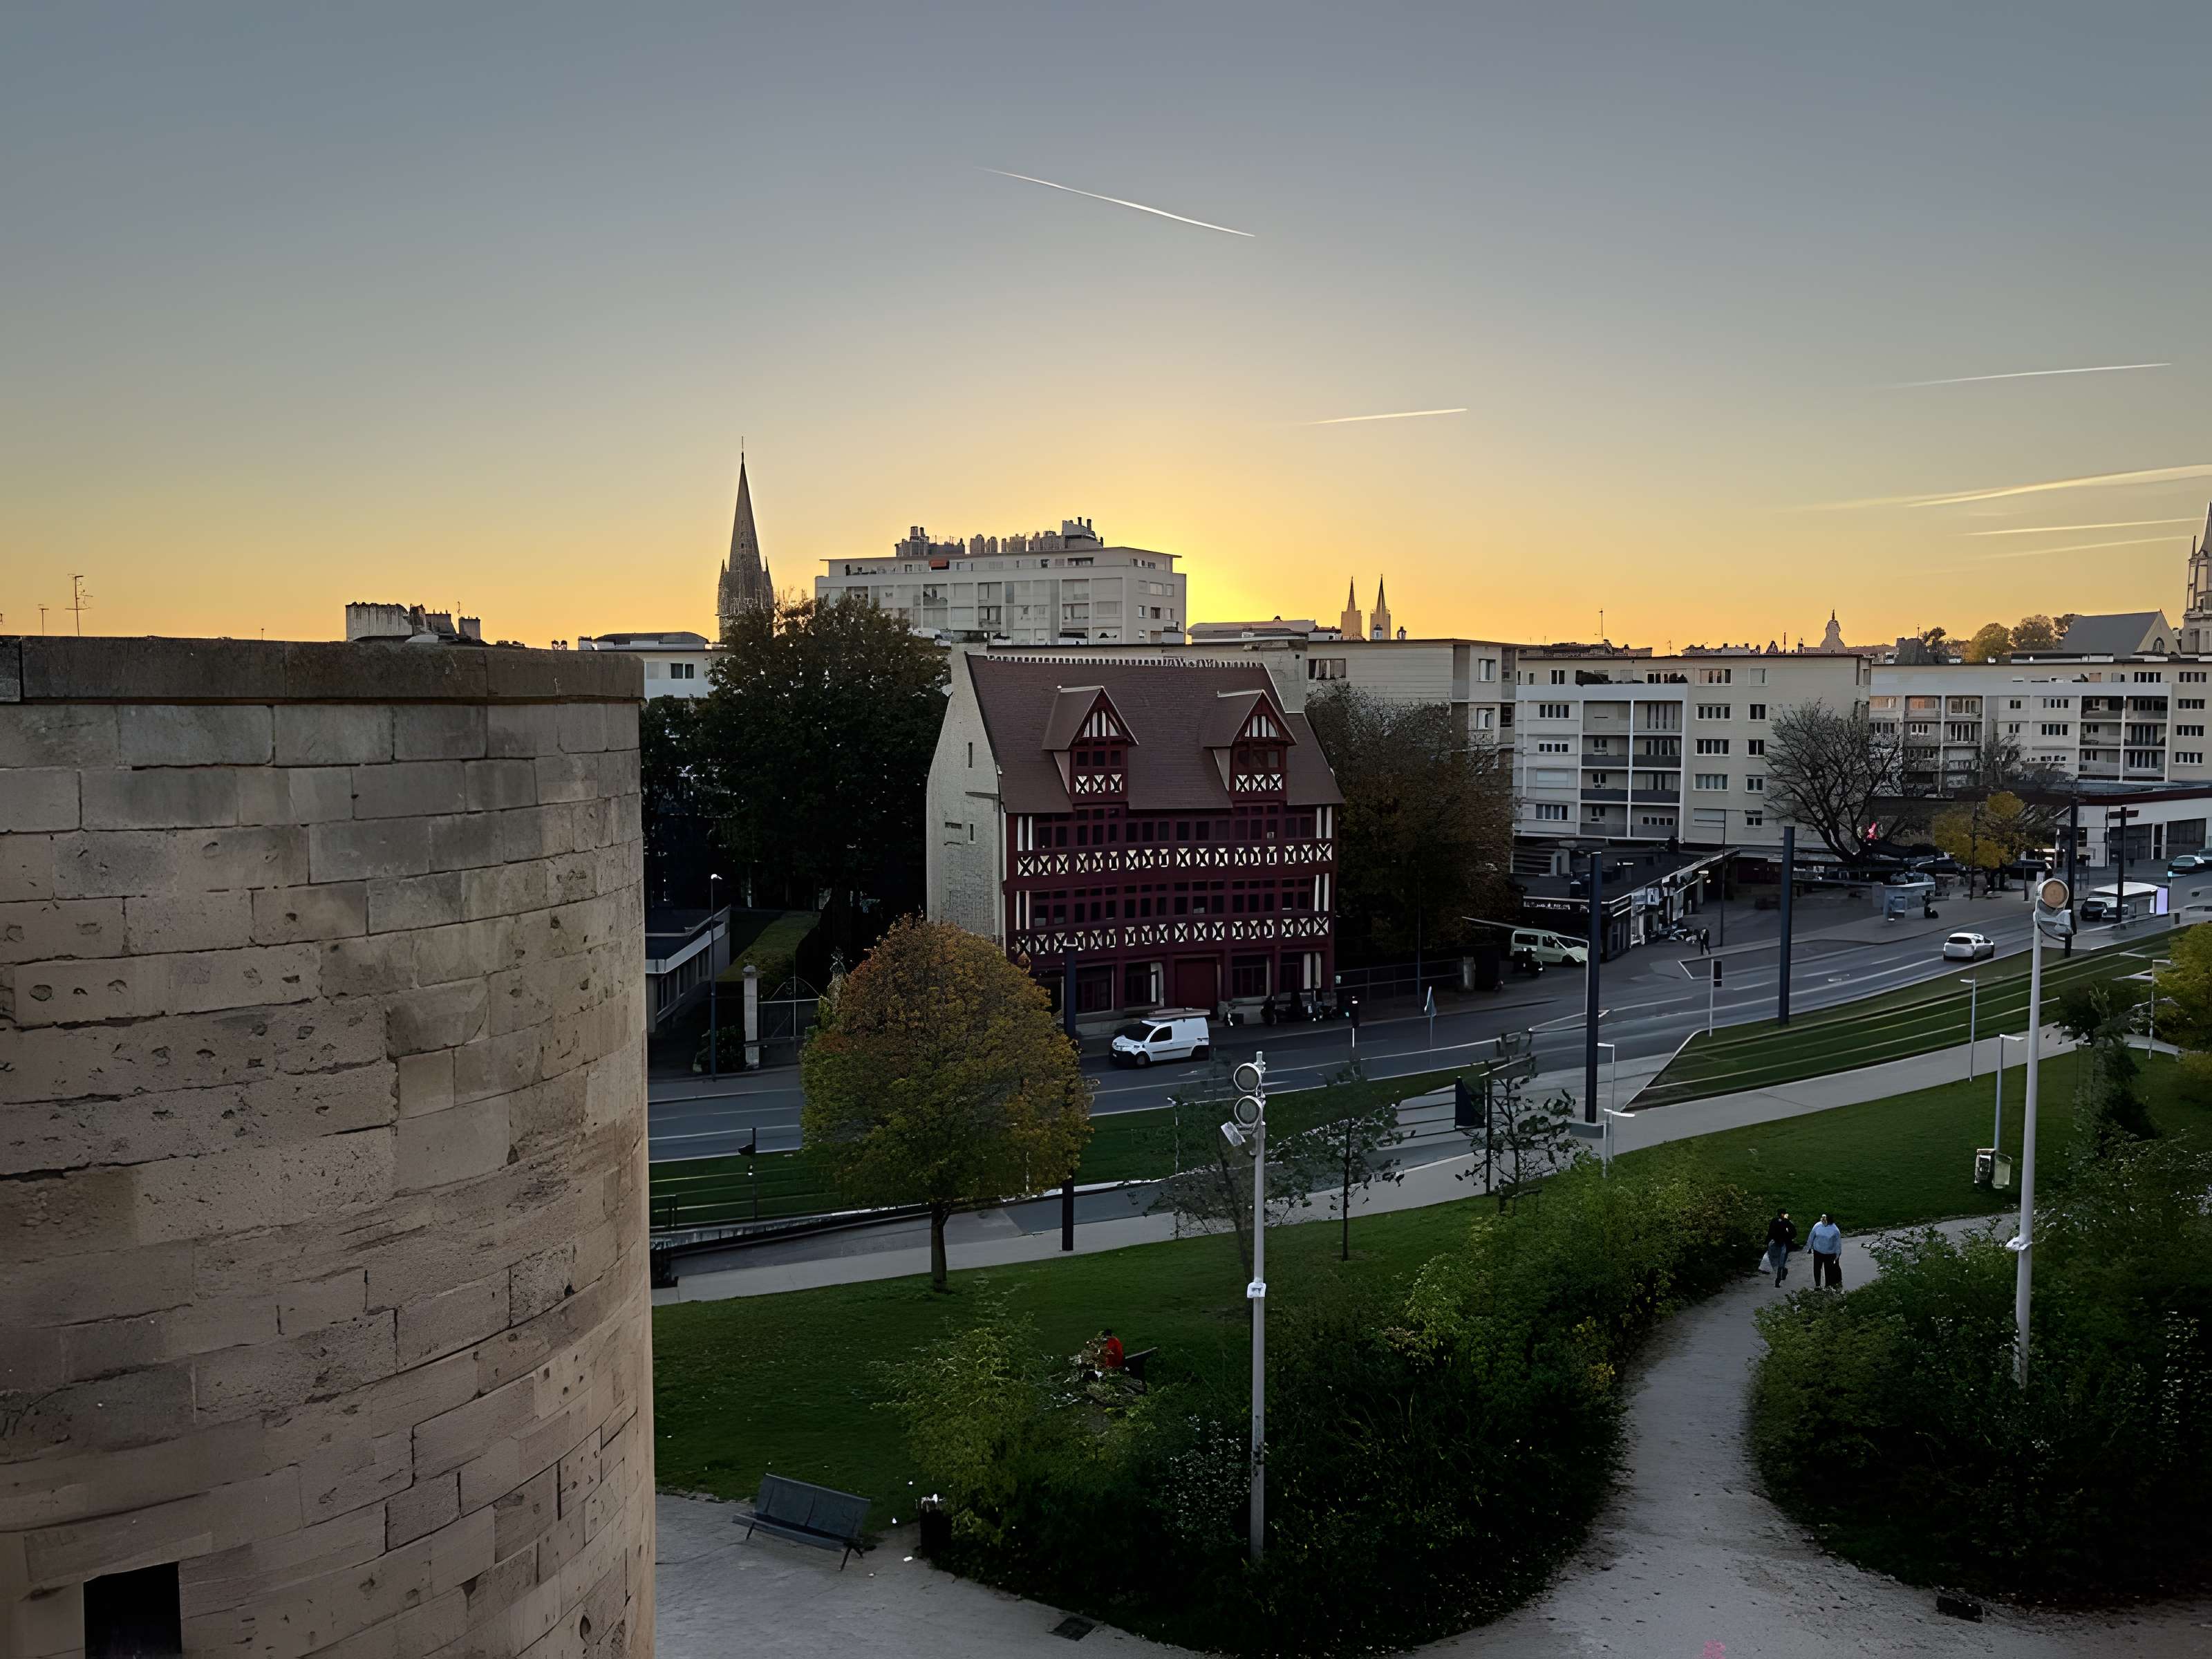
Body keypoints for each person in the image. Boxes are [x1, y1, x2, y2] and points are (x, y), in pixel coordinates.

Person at [1808, 1214, 1843, 1288]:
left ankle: (1828, 1286)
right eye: (1822, 1218)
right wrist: (1809, 1247)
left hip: (1830, 1254)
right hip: (1818, 1252)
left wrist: (1838, 1255)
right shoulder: (1817, 1226)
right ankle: (1818, 1285)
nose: (1823, 1220)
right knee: (1817, 1269)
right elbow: (1811, 1236)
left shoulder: (1835, 1230)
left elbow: (1838, 1244)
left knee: (1828, 1271)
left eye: (1825, 1219)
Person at [1764, 1210, 1796, 1286]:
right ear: (1782, 1214)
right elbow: (1794, 1233)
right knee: (1781, 1261)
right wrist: (1789, 1238)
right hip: (1783, 1243)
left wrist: (1767, 1241)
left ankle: (1775, 1274)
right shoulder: (1786, 1222)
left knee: (1773, 1259)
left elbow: (1770, 1232)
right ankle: (1778, 1278)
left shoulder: (1774, 1221)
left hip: (1774, 1242)